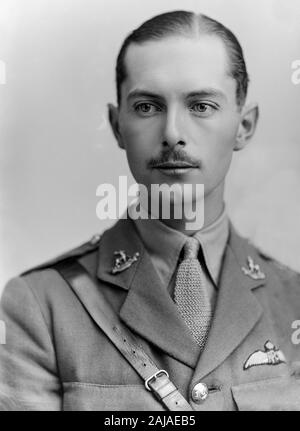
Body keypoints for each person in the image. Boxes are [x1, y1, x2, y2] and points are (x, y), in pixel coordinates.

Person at [0, 10, 300, 411]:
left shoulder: (293, 300)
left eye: (202, 105)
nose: (173, 133)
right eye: (147, 107)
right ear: (116, 125)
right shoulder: (41, 304)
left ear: (244, 126)